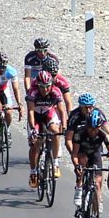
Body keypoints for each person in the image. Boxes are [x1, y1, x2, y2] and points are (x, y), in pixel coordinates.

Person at [25, 60, 72, 188]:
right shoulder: (33, 91)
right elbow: (30, 112)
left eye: (47, 86)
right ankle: (33, 171)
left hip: (48, 113)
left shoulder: (56, 91)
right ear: (37, 85)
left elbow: (62, 110)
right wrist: (33, 130)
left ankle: (55, 163)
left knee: (55, 132)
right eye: (42, 86)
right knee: (36, 142)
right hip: (35, 115)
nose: (45, 89)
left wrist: (64, 126)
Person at [67, 93, 109, 215]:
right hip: (81, 147)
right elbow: (69, 140)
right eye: (85, 107)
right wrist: (75, 162)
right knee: (82, 160)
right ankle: (79, 186)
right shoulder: (75, 117)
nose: (88, 110)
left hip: (95, 150)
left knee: (97, 182)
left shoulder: (99, 116)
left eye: (90, 107)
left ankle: (96, 211)